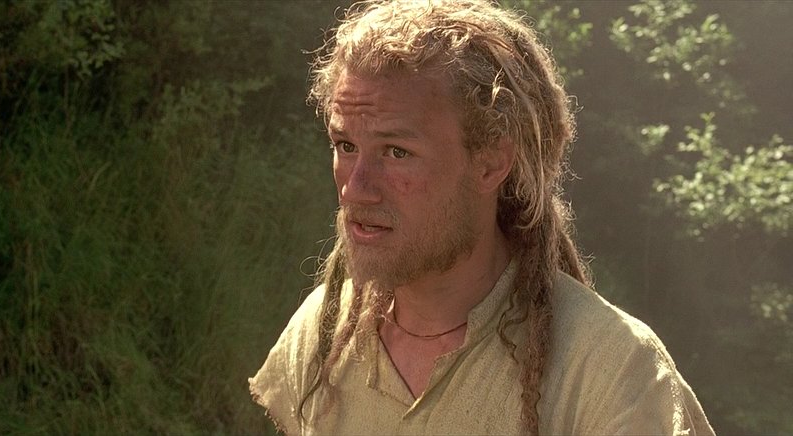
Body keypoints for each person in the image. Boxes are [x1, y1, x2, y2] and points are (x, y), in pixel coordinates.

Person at [248, 0, 715, 434]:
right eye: (346, 146)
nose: (356, 187)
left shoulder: (610, 371)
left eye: (396, 151)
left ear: (490, 163)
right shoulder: (322, 332)